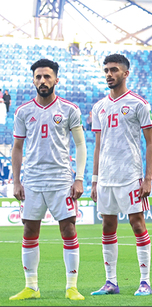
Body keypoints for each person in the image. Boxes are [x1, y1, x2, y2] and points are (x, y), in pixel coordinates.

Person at [10, 59, 87, 301]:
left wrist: (79, 179)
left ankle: (71, 287)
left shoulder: (69, 109)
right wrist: (16, 181)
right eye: (38, 77)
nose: (42, 81)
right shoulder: (23, 111)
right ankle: (31, 287)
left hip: (61, 180)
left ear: (56, 79)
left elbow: (81, 145)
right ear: (33, 80)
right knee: (29, 230)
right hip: (32, 181)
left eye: (47, 76)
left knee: (69, 228)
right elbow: (17, 147)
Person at [89, 54, 152, 296]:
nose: (109, 74)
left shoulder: (139, 104)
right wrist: (94, 180)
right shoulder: (99, 107)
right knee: (107, 226)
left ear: (125, 73)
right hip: (106, 178)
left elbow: (150, 142)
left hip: (130, 175)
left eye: (114, 70)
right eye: (106, 70)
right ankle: (111, 282)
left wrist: (147, 179)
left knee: (137, 224)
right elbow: (98, 145)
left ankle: (145, 281)